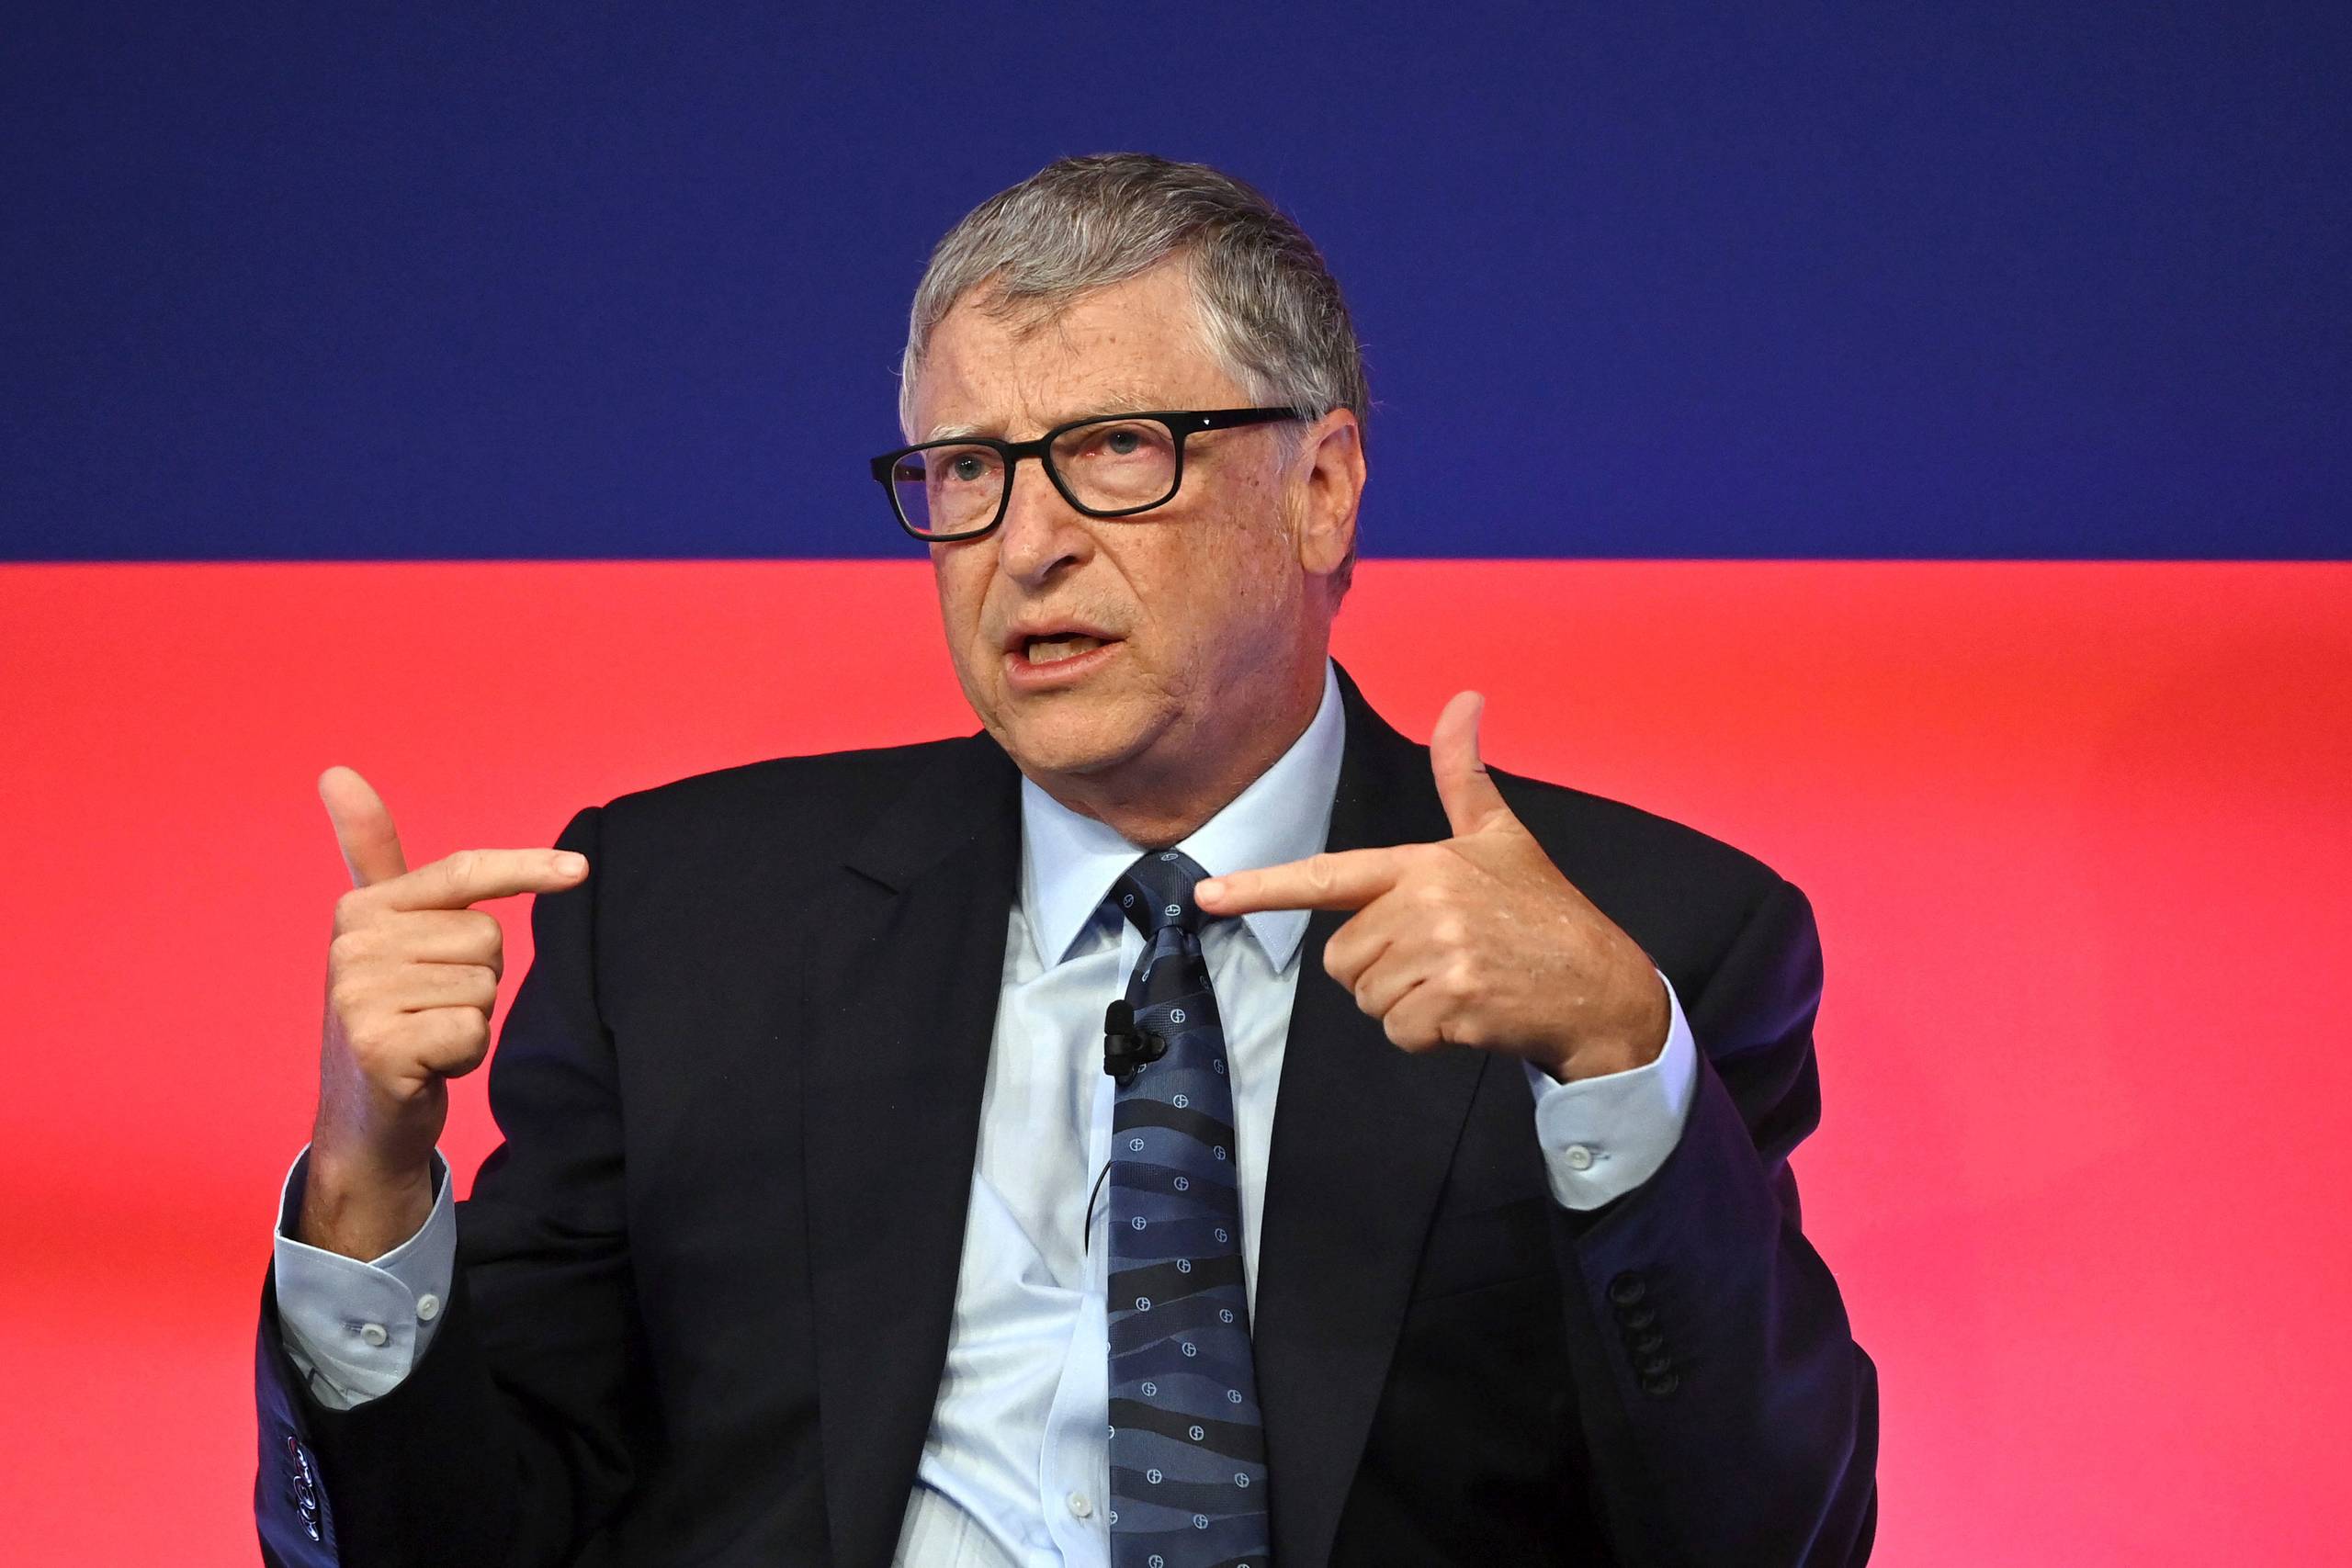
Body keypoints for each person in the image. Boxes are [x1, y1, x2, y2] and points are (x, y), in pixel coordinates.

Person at [255, 152, 1878, 1567]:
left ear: (1321, 491)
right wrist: (368, 1187)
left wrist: (1615, 1066)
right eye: (967, 471)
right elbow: (464, 1541)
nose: (1026, 545)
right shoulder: (678, 924)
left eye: (1117, 449)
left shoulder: (1649, 942)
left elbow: (1763, 1538)